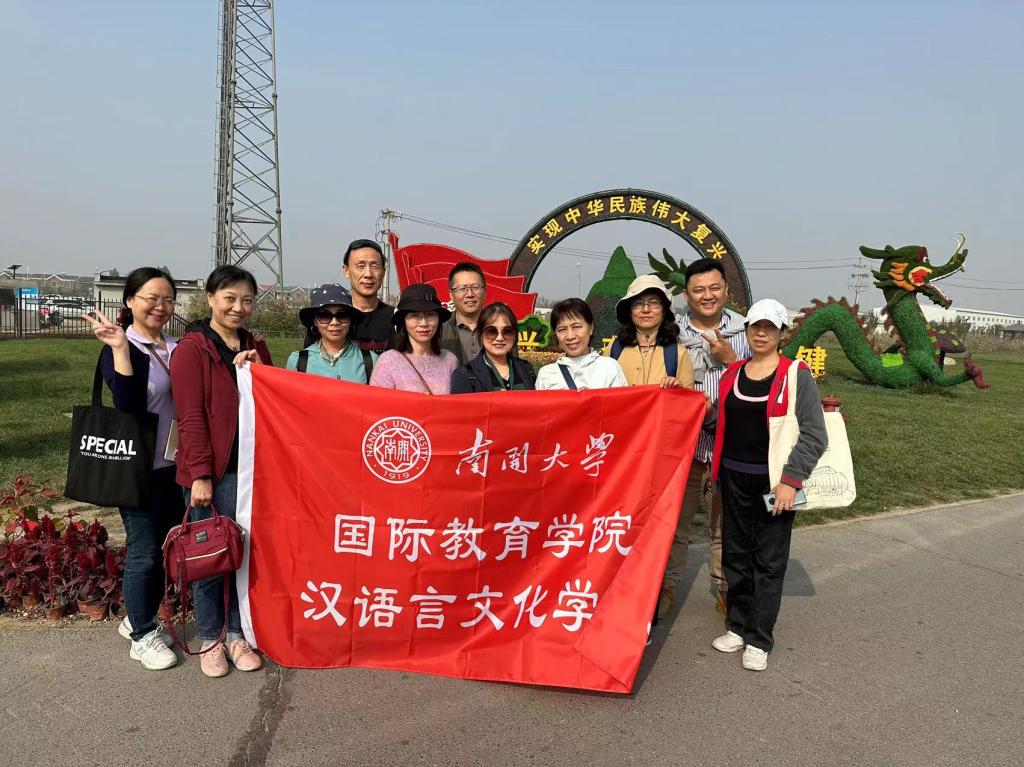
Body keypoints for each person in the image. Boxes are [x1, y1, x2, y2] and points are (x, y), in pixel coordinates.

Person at [710, 299, 827, 672]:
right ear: (747, 330)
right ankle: (737, 626)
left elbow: (815, 434)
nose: (761, 333)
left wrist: (791, 480)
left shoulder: (795, 375)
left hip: (775, 483)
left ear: (782, 333)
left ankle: (759, 639)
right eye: (755, 326)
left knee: (769, 561)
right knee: (735, 555)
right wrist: (688, 406)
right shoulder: (732, 374)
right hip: (733, 477)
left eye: (769, 327)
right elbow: (719, 422)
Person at [170, 265, 272, 678]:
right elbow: (190, 416)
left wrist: (258, 369)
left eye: (246, 300)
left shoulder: (255, 345)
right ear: (211, 298)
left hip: (251, 473)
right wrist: (200, 474)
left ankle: (236, 634)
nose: (238, 307)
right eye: (229, 298)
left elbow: (272, 400)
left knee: (241, 557)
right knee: (211, 556)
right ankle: (211, 638)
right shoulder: (193, 349)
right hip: (214, 474)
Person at [83, 267, 180, 671]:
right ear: (129, 301)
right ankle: (142, 635)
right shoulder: (122, 346)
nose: (160, 306)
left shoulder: (177, 346)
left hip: (175, 466)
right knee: (144, 550)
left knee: (165, 549)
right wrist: (121, 348)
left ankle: (137, 619)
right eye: (151, 298)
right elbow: (127, 404)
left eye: (168, 299)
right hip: (137, 468)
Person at [605, 275, 700, 618]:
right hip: (623, 457)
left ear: (664, 310)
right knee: (625, 521)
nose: (646, 310)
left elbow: (689, 408)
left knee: (666, 524)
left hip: (663, 455)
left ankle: (665, 586)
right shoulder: (614, 351)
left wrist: (676, 391)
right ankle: (621, 584)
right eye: (639, 304)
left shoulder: (677, 353)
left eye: (653, 303)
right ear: (629, 311)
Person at [677, 258, 751, 618]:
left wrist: (732, 360)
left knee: (726, 527)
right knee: (676, 525)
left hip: (730, 448)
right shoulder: (672, 332)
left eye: (714, 288)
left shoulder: (746, 331)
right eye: (699, 290)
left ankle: (725, 589)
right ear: (686, 295)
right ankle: (666, 587)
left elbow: (763, 382)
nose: (707, 296)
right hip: (685, 449)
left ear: (726, 290)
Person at [369, 284, 458, 394]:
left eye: (430, 315)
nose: (424, 323)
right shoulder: (388, 361)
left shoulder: (450, 360)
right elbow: (376, 402)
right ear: (404, 321)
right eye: (414, 316)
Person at [535, 298, 628, 390]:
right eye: (562, 329)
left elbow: (622, 400)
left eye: (576, 327)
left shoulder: (610, 368)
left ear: (591, 328)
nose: (570, 336)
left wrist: (593, 397)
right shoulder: (546, 375)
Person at [285, 284, 369, 382]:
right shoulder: (298, 361)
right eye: (325, 316)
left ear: (351, 320)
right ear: (315, 321)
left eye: (342, 315)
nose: (334, 322)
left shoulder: (369, 361)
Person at [451, 302, 536, 392]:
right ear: (481, 335)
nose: (500, 338)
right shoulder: (464, 375)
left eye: (507, 331)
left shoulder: (526, 369)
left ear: (514, 335)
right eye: (491, 331)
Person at [342, 238, 394, 353]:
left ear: (383, 272)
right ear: (346, 271)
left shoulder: (396, 320)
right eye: (360, 266)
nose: (368, 274)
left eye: (375, 266)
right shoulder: (330, 318)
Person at [440, 262, 487, 365]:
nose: (469, 294)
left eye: (475, 287)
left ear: (485, 291)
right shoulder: (439, 331)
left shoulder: (500, 328)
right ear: (451, 295)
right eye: (462, 288)